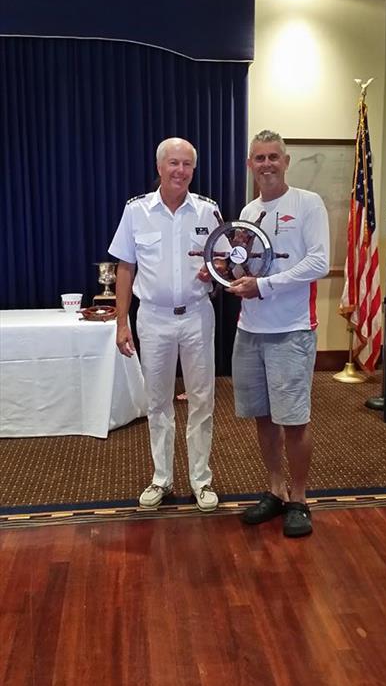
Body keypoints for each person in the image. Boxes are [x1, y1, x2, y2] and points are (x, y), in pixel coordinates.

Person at [108, 137, 223, 512]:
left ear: (194, 169)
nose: (180, 171)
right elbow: (125, 268)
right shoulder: (137, 210)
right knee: (158, 402)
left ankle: (200, 480)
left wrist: (216, 271)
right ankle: (162, 478)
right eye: (173, 163)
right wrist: (121, 323)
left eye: (187, 164)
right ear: (159, 167)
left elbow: (226, 262)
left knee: (202, 401)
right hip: (153, 318)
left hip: (197, 316)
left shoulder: (208, 211)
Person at [229, 129, 330, 538]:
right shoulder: (248, 212)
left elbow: (320, 261)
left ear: (286, 161)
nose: (267, 164)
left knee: (294, 421)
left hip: (291, 330)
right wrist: (223, 270)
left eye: (274, 156)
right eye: (259, 157)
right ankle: (274, 490)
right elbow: (244, 267)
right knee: (263, 418)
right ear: (250, 165)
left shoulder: (308, 203)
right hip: (249, 328)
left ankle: (299, 499)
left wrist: (265, 286)